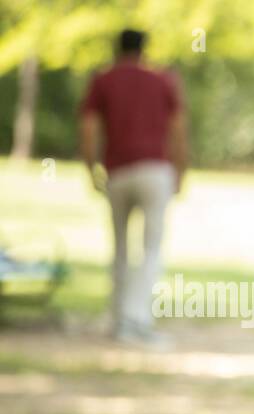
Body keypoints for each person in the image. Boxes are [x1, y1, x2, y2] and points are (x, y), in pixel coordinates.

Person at [78, 28, 187, 347]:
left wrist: (90, 168)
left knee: (121, 248)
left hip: (118, 170)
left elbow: (88, 128)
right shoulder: (163, 79)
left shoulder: (103, 79)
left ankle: (119, 319)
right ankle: (137, 319)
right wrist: (181, 170)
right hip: (156, 169)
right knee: (151, 248)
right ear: (145, 49)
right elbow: (178, 129)